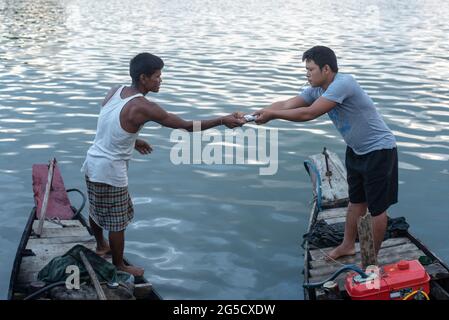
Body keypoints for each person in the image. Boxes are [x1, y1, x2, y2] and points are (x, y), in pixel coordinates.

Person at [81, 53, 245, 276]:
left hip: (92, 162)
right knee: (118, 222)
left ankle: (101, 246)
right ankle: (119, 265)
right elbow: (187, 126)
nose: (161, 80)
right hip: (110, 170)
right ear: (143, 78)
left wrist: (132, 139)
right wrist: (222, 120)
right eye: (157, 76)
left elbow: (109, 123)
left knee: (96, 208)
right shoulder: (144, 106)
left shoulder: (116, 90)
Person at [253, 46, 398, 260]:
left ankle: (371, 259)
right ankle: (347, 245)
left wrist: (273, 115)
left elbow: (308, 113)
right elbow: (287, 104)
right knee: (356, 202)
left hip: (380, 151)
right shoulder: (317, 90)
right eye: (306, 70)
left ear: (326, 69)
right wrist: (257, 113)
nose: (307, 74)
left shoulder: (343, 84)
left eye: (311, 69)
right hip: (356, 151)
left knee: (377, 209)